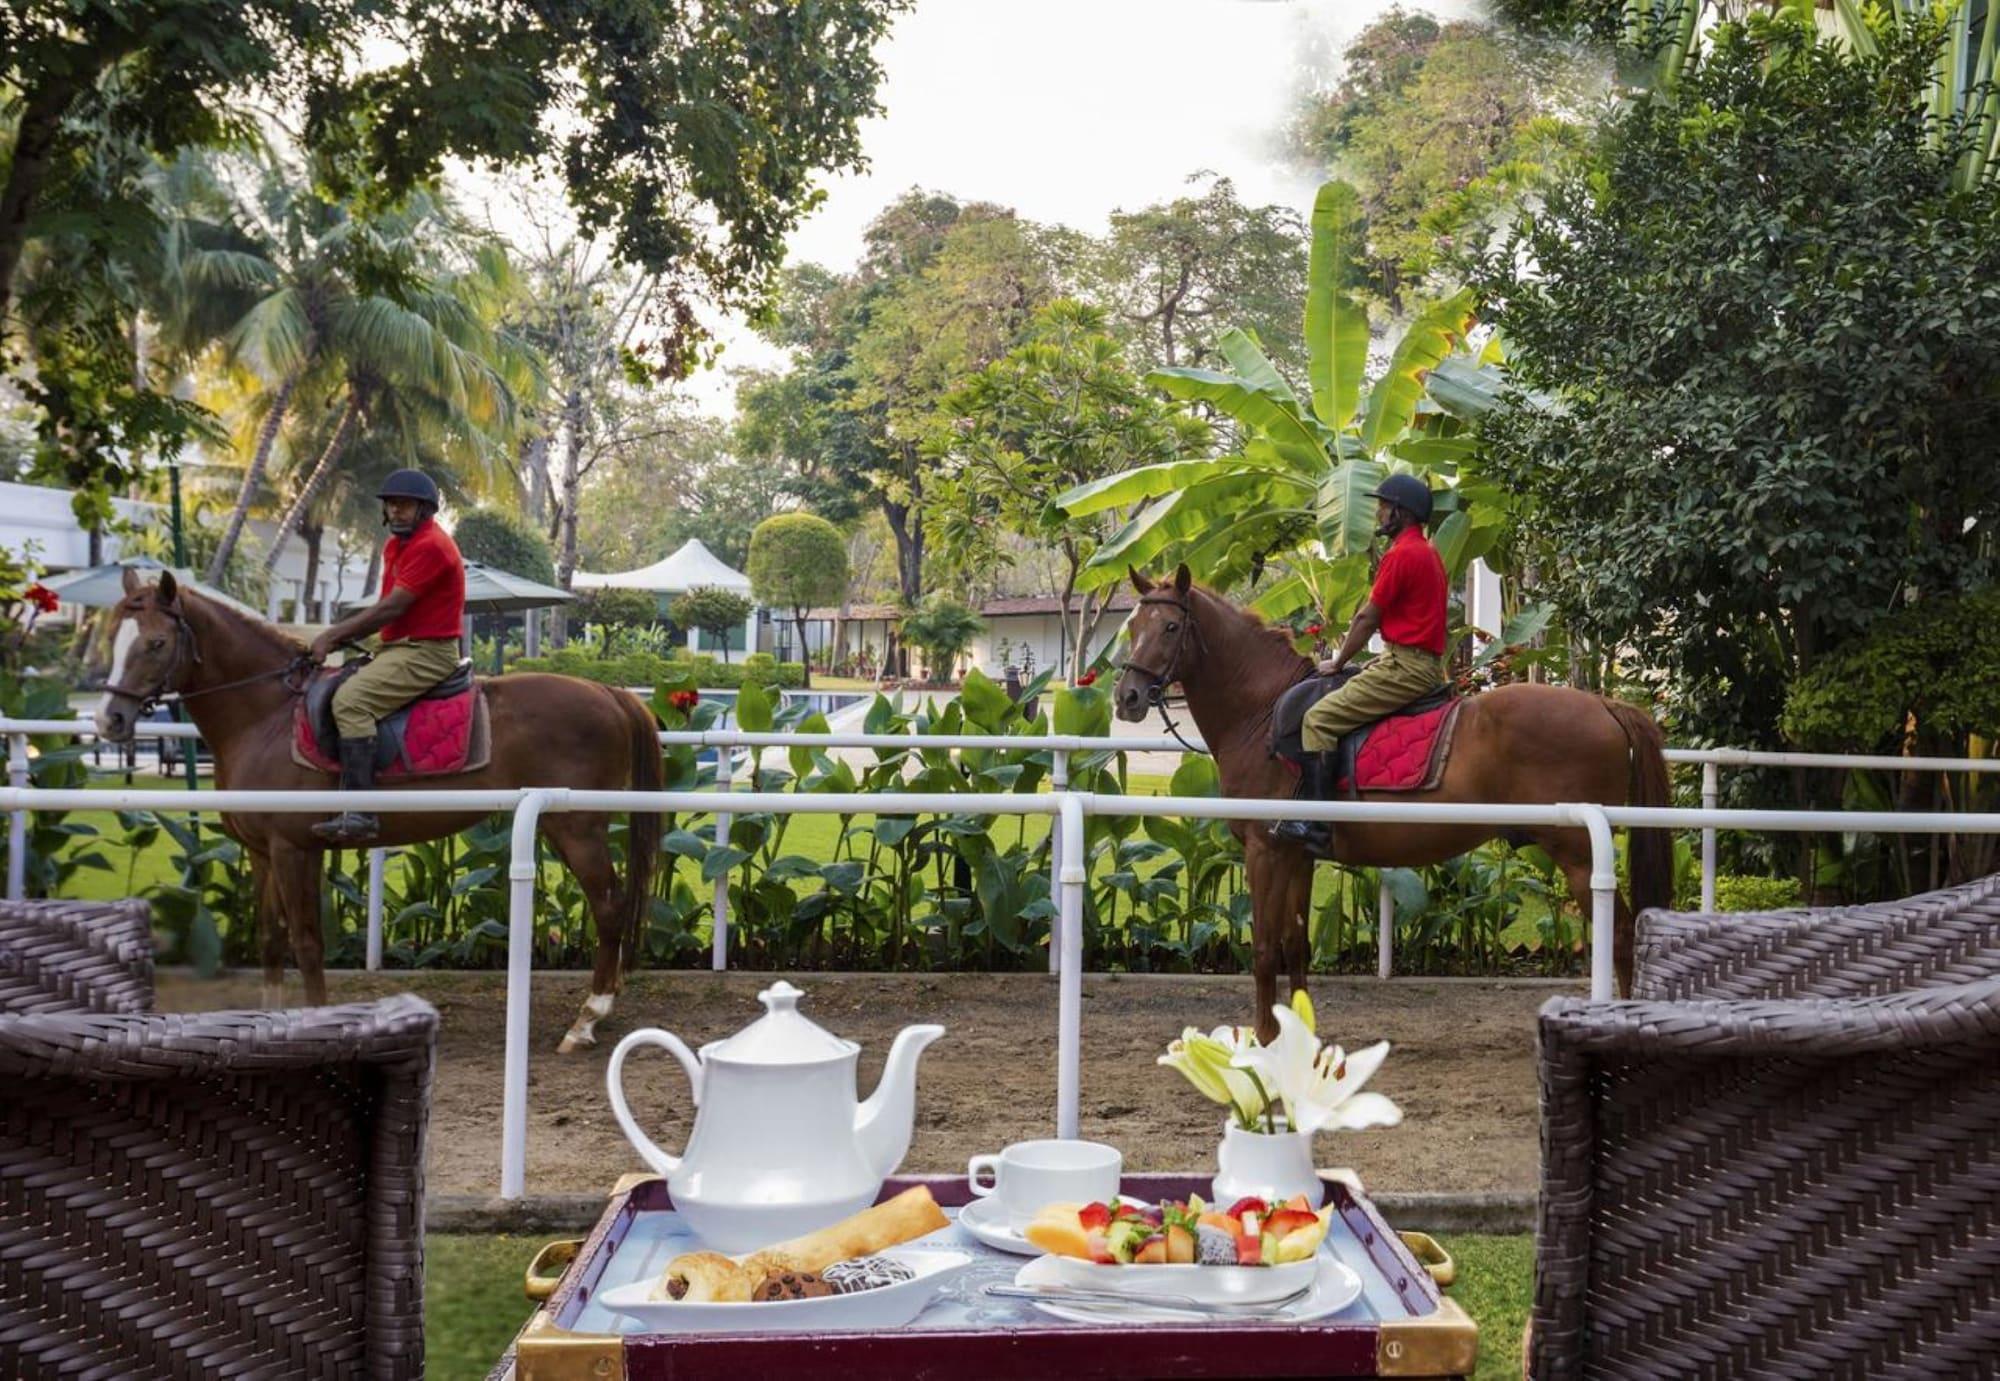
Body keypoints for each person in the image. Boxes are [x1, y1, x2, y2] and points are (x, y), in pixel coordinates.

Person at [1272, 473, 1448, 848]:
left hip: (1406, 667)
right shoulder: (1429, 552)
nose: (1379, 513)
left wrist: (1337, 662)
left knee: (1318, 719)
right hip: (1417, 661)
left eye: (1384, 507)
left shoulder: (1401, 555)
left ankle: (1317, 824)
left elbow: (1368, 618)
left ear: (1400, 512)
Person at [306, 469, 466, 844]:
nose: (395, 511)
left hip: (428, 652)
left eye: (404, 505)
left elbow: (390, 609)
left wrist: (333, 635)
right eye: (391, 505)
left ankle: (361, 812)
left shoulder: (431, 546)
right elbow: (386, 614)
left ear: (425, 510)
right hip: (397, 647)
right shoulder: (396, 546)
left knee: (350, 701)